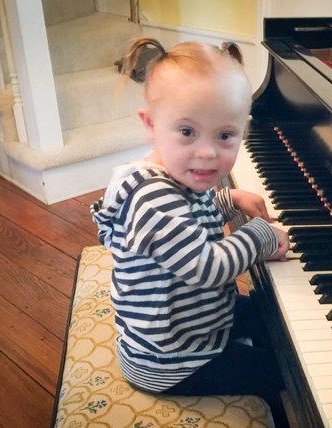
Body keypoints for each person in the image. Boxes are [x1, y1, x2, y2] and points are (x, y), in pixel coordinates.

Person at [92, 37, 291, 427]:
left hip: (197, 321)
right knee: (281, 370)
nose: (207, 153)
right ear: (150, 124)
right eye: (187, 132)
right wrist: (260, 237)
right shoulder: (151, 199)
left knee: (274, 320)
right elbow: (206, 267)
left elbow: (188, 219)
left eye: (224, 136)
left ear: (242, 131)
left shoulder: (173, 180)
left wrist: (228, 198)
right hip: (172, 360)